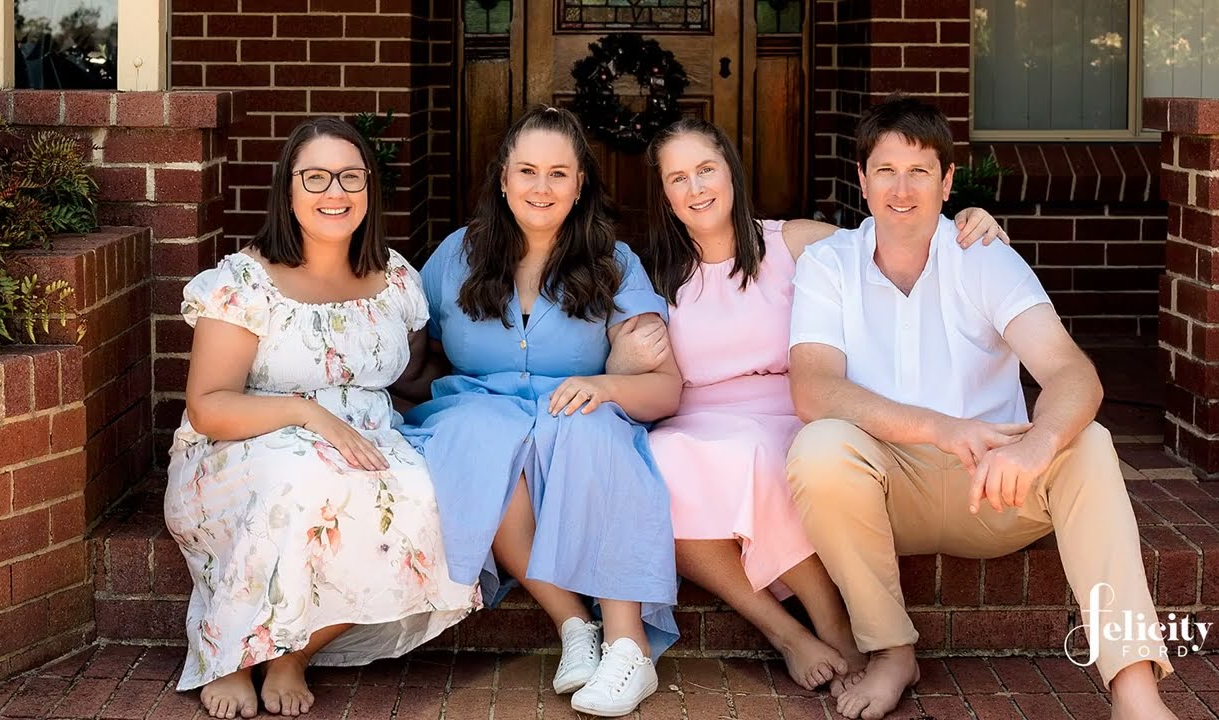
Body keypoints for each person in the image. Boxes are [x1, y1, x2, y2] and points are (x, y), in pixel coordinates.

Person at [785, 95, 1176, 720]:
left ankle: (1135, 691)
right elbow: (813, 390)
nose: (902, 189)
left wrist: (1036, 445)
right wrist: (939, 428)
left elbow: (1072, 372)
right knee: (819, 448)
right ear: (861, 181)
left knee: (1091, 443)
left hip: (995, 488)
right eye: (885, 170)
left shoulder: (983, 254)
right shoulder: (829, 265)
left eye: (920, 172)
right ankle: (891, 652)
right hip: (888, 493)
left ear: (947, 183)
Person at [623, 117, 1008, 694]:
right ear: (663, 193)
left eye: (706, 169)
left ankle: (833, 621)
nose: (696, 187)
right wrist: (626, 361)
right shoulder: (651, 272)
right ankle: (788, 632)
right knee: (653, 469)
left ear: (731, 172)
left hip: (789, 413)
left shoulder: (794, 242)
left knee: (759, 456)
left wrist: (965, 223)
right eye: (677, 178)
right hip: (695, 421)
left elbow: (899, 239)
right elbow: (619, 359)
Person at [165, 118, 480, 720]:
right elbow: (209, 405)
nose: (335, 192)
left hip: (367, 442)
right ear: (288, 188)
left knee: (427, 493)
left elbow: (410, 377)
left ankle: (293, 653)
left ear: (369, 189)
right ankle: (230, 655)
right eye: (316, 177)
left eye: (350, 177)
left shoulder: (393, 278)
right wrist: (310, 415)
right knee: (308, 483)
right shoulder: (243, 283)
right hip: (246, 443)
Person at [396, 106, 682, 718]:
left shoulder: (614, 261)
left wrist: (607, 384)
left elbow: (665, 389)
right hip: (476, 409)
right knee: (478, 436)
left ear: (581, 184)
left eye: (558, 173)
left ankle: (629, 647)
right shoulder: (456, 256)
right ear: (503, 179)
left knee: (588, 430)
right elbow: (404, 356)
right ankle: (575, 625)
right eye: (527, 171)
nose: (541, 187)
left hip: (577, 407)